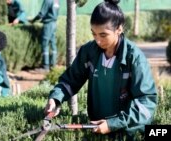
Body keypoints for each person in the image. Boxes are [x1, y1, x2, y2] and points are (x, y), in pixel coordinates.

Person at [43, 0, 157, 140]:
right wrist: (55, 99)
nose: (97, 40)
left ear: (119, 29)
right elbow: (71, 80)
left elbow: (146, 102)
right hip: (97, 129)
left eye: (103, 35)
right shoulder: (88, 52)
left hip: (127, 133)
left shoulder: (134, 58)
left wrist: (113, 124)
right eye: (94, 34)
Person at [30, 0, 60, 72]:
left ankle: (45, 67)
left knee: (45, 44)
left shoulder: (48, 0)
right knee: (53, 44)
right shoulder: (56, 1)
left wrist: (33, 20)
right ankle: (53, 66)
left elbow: (41, 14)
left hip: (48, 24)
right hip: (54, 23)